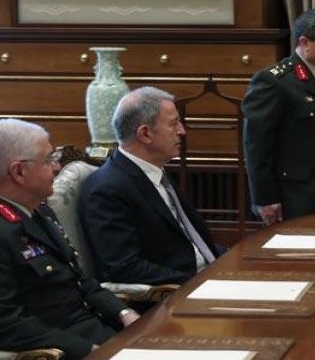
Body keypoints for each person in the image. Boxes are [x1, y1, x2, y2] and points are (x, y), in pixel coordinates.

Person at [0, 119, 138, 360]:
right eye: (49, 159)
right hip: (59, 352)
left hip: (100, 332)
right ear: (18, 172)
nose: (57, 167)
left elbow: (80, 281)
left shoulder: (38, 210)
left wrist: (124, 313)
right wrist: (90, 350)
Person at [79, 87, 220, 285]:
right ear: (145, 134)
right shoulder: (106, 190)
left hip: (208, 274)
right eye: (174, 123)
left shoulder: (157, 171)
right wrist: (197, 283)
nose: (182, 131)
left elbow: (191, 242)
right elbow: (124, 267)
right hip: (174, 293)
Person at [243, 8, 315, 224]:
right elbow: (257, 145)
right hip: (296, 196)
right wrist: (265, 198)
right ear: (305, 43)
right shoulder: (275, 81)